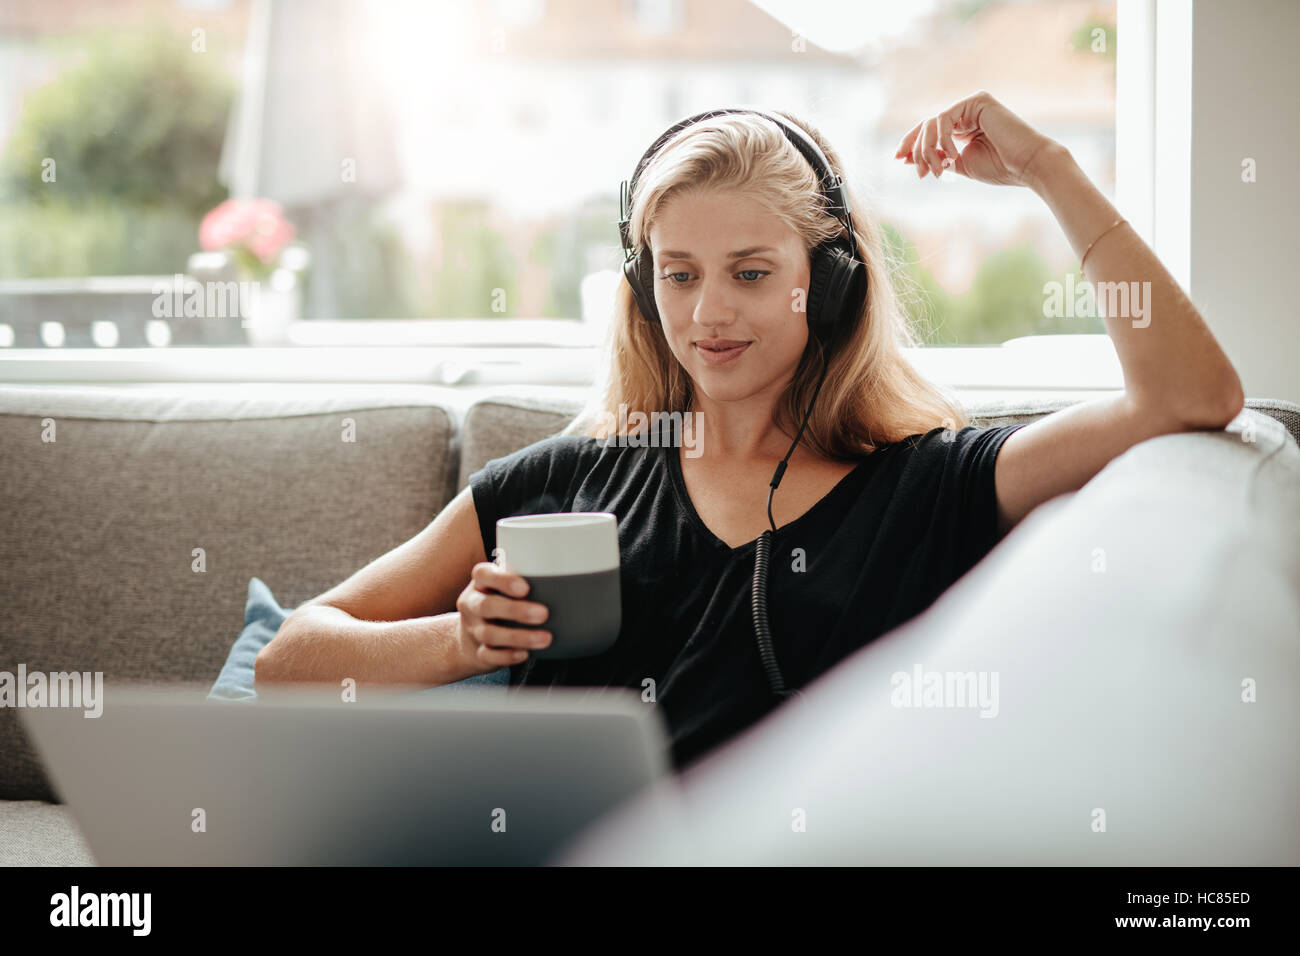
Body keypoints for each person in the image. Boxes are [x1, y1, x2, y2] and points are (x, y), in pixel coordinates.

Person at [256, 97, 1243, 774]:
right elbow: (289, 656)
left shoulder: (928, 482)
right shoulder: (569, 474)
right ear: (643, 288)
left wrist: (1047, 167)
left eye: (751, 271)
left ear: (833, 279)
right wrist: (459, 641)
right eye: (678, 273)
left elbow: (1189, 394)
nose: (708, 313)